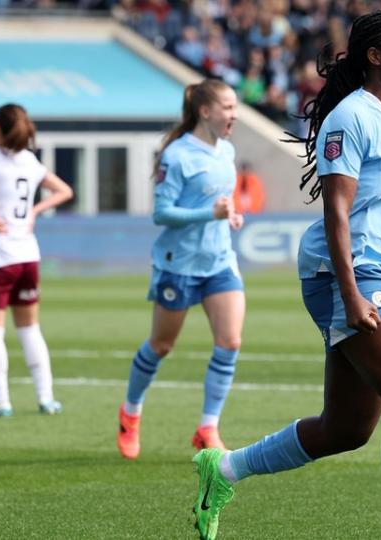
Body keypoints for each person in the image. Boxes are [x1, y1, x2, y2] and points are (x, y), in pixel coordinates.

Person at [190, 11, 381, 540]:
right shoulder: (350, 118)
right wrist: (354, 294)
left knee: (346, 429)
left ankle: (221, 469)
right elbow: (337, 213)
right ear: (375, 55)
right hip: (346, 273)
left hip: (377, 274)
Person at [116, 79, 245, 460]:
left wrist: (230, 214)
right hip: (179, 266)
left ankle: (208, 427)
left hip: (219, 261)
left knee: (230, 342)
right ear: (205, 111)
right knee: (161, 345)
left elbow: (222, 197)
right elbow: (161, 213)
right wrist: (211, 213)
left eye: (235, 107)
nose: (234, 114)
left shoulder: (227, 150)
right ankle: (130, 413)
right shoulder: (176, 155)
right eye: (227, 107)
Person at [0, 103, 74, 418]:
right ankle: (46, 398)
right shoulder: (30, 161)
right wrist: (36, 211)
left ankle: (0, 402)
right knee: (29, 328)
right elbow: (65, 190)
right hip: (27, 254)